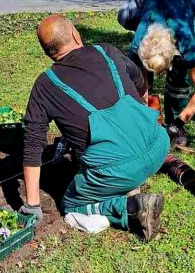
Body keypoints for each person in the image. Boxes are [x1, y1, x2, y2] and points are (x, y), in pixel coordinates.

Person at [19, 15, 169, 241]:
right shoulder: (107, 51)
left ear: (46, 51)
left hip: (117, 169)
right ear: (75, 34)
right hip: (158, 144)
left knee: (70, 205)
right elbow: (139, 83)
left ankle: (131, 206)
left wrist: (32, 205)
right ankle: (130, 183)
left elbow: (32, 146)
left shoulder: (45, 84)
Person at [118, 0, 195, 148]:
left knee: (180, 74)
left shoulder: (186, 44)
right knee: (123, 17)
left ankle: (177, 126)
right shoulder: (139, 43)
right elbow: (138, 84)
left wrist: (178, 123)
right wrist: (145, 116)